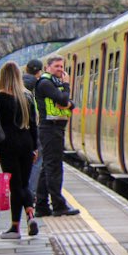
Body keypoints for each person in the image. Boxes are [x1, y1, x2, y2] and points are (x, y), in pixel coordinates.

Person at [0, 62, 39, 238]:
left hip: (8, 145)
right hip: (26, 143)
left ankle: (15, 227)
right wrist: (35, 148)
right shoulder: (27, 97)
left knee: (15, 185)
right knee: (23, 184)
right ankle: (30, 215)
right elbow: (34, 125)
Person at [33, 55, 80, 217]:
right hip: (50, 129)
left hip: (54, 129)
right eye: (57, 66)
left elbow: (69, 103)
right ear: (48, 67)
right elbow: (62, 98)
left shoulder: (53, 83)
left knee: (47, 167)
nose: (60, 69)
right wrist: (67, 87)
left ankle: (41, 206)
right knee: (54, 168)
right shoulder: (46, 83)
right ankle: (59, 205)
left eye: (62, 66)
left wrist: (67, 101)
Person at [23, 59, 43, 201]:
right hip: (32, 130)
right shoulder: (38, 85)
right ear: (39, 72)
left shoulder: (17, 84)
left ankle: (20, 191)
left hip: (17, 133)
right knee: (36, 162)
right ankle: (30, 194)